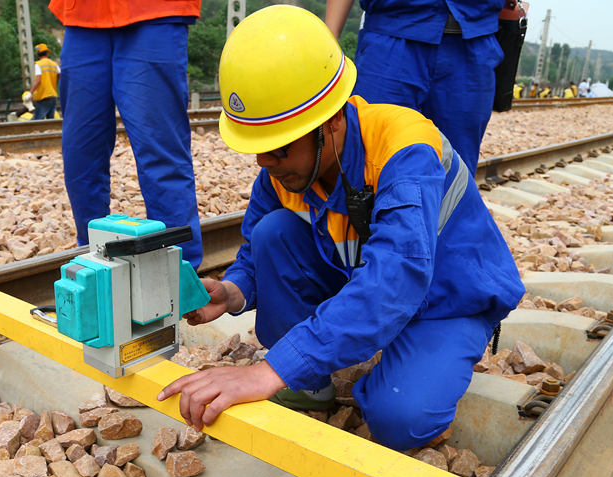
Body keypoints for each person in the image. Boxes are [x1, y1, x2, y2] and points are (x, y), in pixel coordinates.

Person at [157, 6, 524, 452]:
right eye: (258, 149)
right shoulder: (284, 170)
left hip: (448, 296)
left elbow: (396, 278)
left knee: (400, 420)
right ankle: (312, 383)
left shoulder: (404, 150)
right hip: (364, 276)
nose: (263, 163)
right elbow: (257, 250)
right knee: (275, 231)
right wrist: (232, 290)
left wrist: (267, 372)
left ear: (330, 122)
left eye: (277, 149)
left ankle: (417, 356)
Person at [48, 0, 203, 269]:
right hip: (83, 13)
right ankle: (95, 262)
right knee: (80, 155)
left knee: (160, 153)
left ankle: (178, 275)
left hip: (155, 11)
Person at [324, 0, 506, 176]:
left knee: (456, 169)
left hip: (473, 39)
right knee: (369, 158)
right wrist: (329, 44)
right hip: (391, 33)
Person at [30, 43, 60, 120]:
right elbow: (60, 76)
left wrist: (30, 93)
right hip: (53, 96)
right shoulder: (54, 64)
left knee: (37, 121)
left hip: (44, 96)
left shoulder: (38, 64)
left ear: (38, 54)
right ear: (47, 52)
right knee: (50, 121)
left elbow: (37, 80)